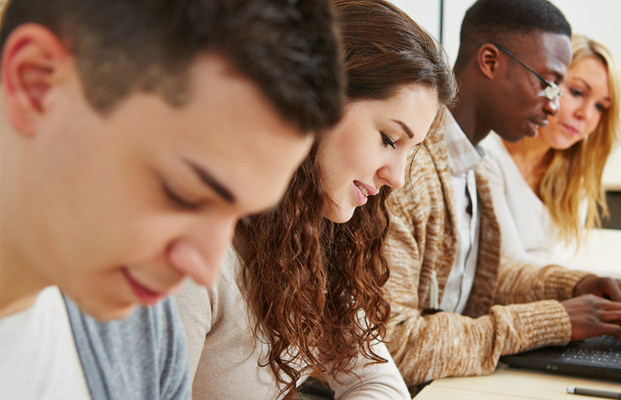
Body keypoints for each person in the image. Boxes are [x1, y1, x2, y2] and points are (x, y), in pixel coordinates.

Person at [0, 0, 344, 398]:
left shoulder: (144, 325)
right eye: (182, 195)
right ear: (36, 83)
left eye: (239, 217)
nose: (204, 269)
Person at [175, 0, 456, 398]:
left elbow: (376, 380)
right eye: (389, 140)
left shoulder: (310, 236)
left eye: (410, 151)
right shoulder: (192, 256)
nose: (398, 176)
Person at [381, 0, 621, 386]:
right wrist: (555, 321)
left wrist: (574, 286)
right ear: (490, 62)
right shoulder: (407, 170)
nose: (554, 104)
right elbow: (393, 347)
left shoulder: (472, 162)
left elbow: (481, 277)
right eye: (547, 82)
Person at [483, 34, 621, 302]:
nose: (586, 115)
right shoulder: (487, 155)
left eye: (601, 106)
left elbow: (559, 263)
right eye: (577, 92)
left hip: (551, 307)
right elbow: (511, 270)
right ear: (547, 84)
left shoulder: (571, 170)